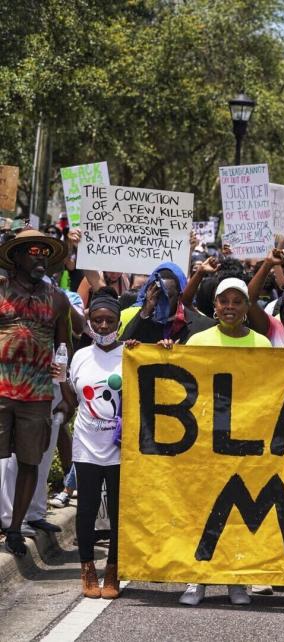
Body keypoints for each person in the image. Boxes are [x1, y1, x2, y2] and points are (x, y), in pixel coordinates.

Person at [158, 278, 269, 607]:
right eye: (224, 301)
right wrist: (164, 356)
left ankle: (236, 580)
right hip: (205, 440)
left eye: (237, 301)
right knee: (203, 508)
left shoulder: (263, 345)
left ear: (248, 307)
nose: (230, 307)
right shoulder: (198, 340)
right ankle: (198, 579)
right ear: (215, 306)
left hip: (247, 441)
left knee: (238, 512)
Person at [0, 230, 73, 557]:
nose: (40, 256)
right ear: (16, 257)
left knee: (30, 460)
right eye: (32, 251)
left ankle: (15, 529)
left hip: (37, 393)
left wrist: (63, 374)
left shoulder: (58, 298)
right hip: (1, 389)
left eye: (44, 252)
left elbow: (63, 344)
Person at [59, 289, 126, 599]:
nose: (102, 326)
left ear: (118, 323)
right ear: (89, 321)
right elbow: (73, 402)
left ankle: (113, 569)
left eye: (108, 321)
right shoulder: (81, 356)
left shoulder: (131, 354)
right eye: (97, 320)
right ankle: (88, 568)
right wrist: (61, 380)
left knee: (117, 511)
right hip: (87, 444)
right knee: (85, 510)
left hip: (119, 449)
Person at [120, 262, 215, 344]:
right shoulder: (144, 320)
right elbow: (122, 346)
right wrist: (145, 311)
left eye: (168, 296)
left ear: (179, 296)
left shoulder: (203, 325)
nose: (162, 301)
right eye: (158, 295)